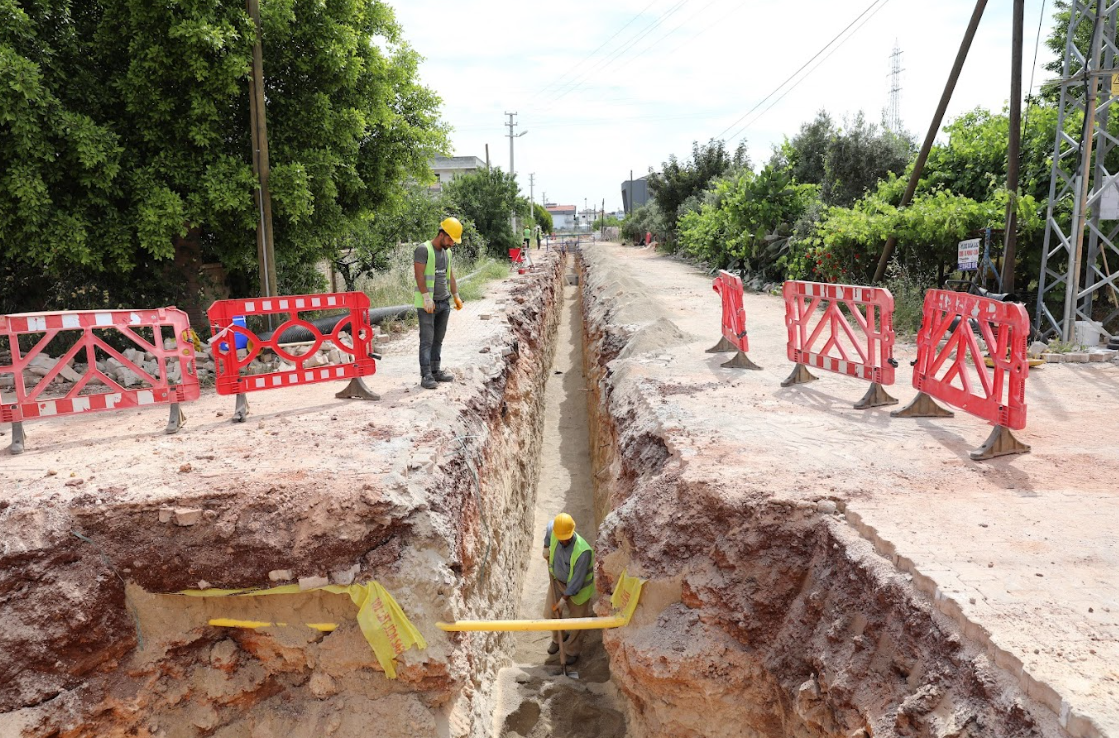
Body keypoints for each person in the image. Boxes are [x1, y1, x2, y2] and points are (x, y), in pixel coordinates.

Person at [413, 217, 464, 390]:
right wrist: (426, 298)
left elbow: (450, 276)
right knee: (426, 340)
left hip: (444, 302)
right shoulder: (423, 249)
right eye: (450, 239)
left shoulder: (447, 253)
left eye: (454, 241)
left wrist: (456, 295)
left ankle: (435, 371)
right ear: (441, 234)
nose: (451, 244)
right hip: (428, 304)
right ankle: (426, 375)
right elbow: (419, 275)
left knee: (438, 340)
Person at [542, 512, 594, 665]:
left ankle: (572, 650)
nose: (563, 541)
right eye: (561, 538)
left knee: (578, 622)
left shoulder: (583, 552)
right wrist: (546, 547)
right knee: (550, 613)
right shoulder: (555, 529)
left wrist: (563, 601)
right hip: (557, 582)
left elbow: (576, 582)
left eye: (566, 538)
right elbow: (549, 528)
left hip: (578, 590)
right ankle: (559, 638)